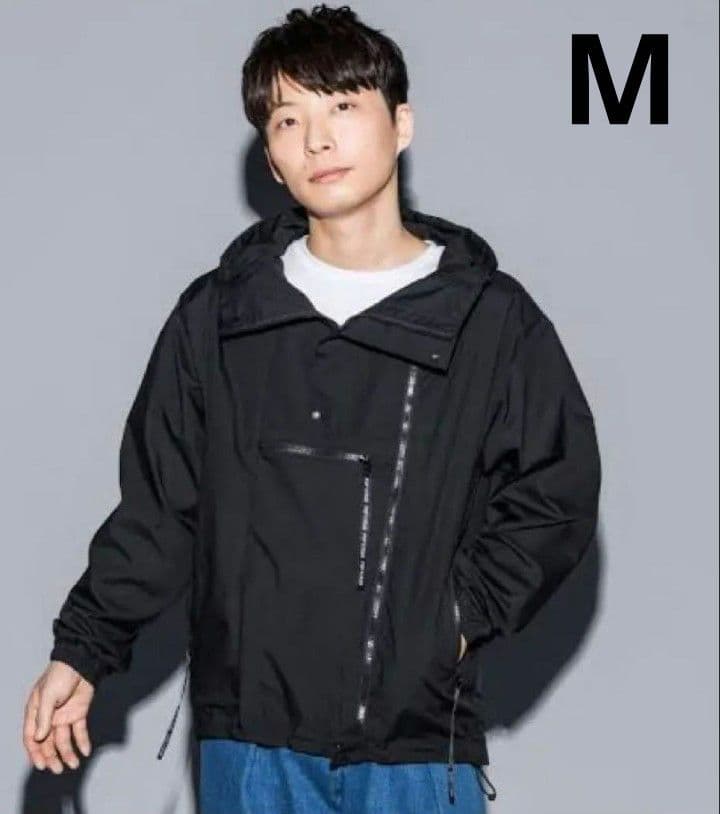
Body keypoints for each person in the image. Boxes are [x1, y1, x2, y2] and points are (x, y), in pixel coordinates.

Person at [23, 5, 602, 812]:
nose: (318, 140)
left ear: (401, 124)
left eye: (343, 106)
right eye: (289, 120)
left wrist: (452, 623)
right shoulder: (220, 317)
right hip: (249, 747)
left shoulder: (487, 320)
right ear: (270, 155)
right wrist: (83, 649)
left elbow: (556, 490)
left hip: (412, 745)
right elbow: (159, 509)